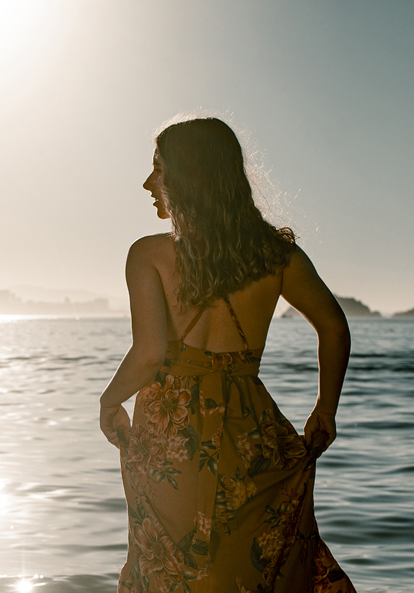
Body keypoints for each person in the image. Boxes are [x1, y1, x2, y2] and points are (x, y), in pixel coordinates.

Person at [99, 117, 355, 592]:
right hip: (250, 427)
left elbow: (151, 352)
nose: (148, 183)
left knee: (172, 567)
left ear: (188, 174)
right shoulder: (278, 257)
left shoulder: (149, 255)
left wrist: (109, 400)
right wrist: (325, 409)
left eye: (158, 168)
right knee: (253, 564)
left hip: (173, 434)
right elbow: (335, 328)